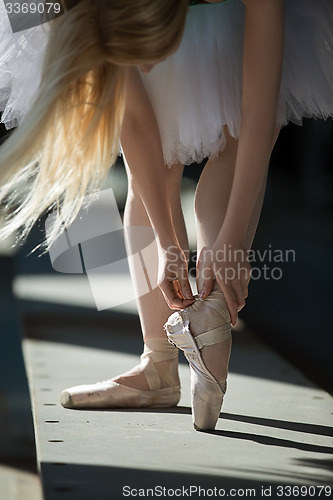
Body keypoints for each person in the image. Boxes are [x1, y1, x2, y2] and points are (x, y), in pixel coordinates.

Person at [0, 0, 332, 431]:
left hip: (223, 12)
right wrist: (169, 244)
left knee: (234, 138)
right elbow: (136, 127)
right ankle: (159, 364)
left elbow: (259, 115)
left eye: (150, 55)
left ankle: (208, 318)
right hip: (72, 9)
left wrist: (230, 240)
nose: (152, 68)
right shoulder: (48, 7)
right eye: (139, 60)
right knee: (155, 163)